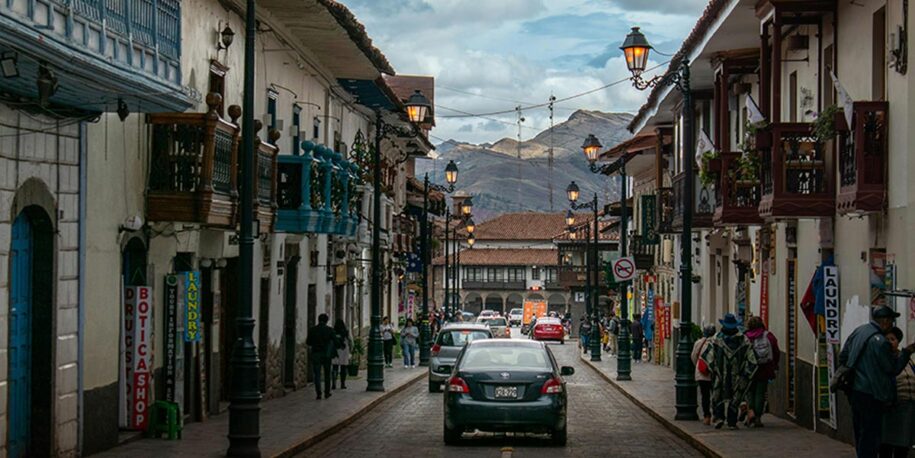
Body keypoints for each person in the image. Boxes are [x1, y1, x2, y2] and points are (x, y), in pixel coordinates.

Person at [840, 306, 915, 458]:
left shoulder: (859, 331)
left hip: (856, 391)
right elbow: (892, 368)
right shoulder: (880, 342)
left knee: (861, 434)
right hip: (872, 393)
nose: (892, 324)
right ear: (886, 321)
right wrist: (907, 352)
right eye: (892, 320)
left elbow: (843, 356)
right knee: (871, 437)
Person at [705, 313, 756, 429]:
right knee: (735, 398)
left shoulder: (717, 338)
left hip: (720, 374)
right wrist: (747, 373)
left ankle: (719, 417)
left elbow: (708, 356)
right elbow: (752, 359)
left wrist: (713, 369)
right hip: (736, 374)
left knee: (718, 395)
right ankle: (731, 422)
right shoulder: (743, 339)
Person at [880, 326, 915, 458]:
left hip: (908, 405)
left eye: (893, 339)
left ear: (898, 342)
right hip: (892, 406)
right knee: (887, 443)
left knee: (903, 443)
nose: (890, 342)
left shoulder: (905, 358)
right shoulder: (883, 358)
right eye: (887, 339)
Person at [744, 316, 779, 427]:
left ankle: (751, 412)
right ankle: (758, 417)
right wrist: (775, 365)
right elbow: (776, 351)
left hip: (749, 369)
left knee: (750, 392)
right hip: (764, 368)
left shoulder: (745, 337)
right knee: (760, 392)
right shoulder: (768, 336)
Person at [306, 313, 336, 400]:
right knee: (327, 374)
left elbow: (308, 342)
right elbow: (335, 341)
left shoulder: (312, 330)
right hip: (326, 354)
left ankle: (318, 393)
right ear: (326, 321)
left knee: (317, 374)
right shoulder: (330, 330)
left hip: (316, 354)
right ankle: (327, 392)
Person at [691, 325, 716, 425]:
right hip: (714, 373)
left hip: (702, 373)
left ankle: (707, 416)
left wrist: (698, 365)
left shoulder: (699, 342)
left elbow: (693, 356)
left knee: (705, 395)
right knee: (715, 394)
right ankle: (716, 415)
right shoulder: (717, 342)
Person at [331, 319, 352, 390]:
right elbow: (350, 340)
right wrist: (351, 350)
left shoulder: (333, 331)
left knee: (335, 367)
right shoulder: (346, 331)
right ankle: (343, 384)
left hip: (335, 350)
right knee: (343, 368)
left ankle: (334, 383)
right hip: (344, 350)